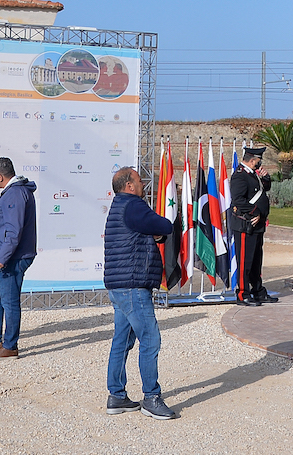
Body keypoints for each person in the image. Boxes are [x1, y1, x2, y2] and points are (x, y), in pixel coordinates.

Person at [102, 166, 180, 420]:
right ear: (129, 186)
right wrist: (161, 227)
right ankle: (151, 397)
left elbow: (149, 230)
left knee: (122, 341)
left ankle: (116, 396)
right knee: (150, 339)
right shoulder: (133, 205)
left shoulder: (120, 206)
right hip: (133, 286)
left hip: (120, 286)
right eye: (139, 180)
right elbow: (163, 226)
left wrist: (154, 231)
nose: (144, 183)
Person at [0, 157, 37, 358]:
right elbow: (12, 224)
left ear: (0, 176)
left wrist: (2, 258)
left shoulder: (15, 194)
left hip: (13, 257)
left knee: (9, 301)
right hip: (8, 255)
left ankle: (10, 346)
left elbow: (15, 232)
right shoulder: (15, 193)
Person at [228, 145, 275, 306]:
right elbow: (238, 200)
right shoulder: (239, 176)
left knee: (256, 261)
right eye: (258, 161)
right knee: (245, 261)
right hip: (245, 224)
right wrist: (255, 212)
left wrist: (266, 178)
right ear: (253, 160)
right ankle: (242, 293)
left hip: (258, 225)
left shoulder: (253, 174)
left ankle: (257, 291)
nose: (259, 164)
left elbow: (263, 190)